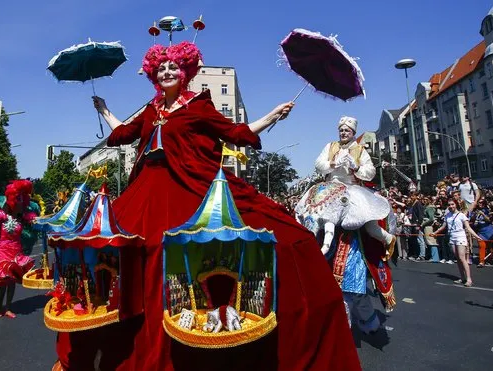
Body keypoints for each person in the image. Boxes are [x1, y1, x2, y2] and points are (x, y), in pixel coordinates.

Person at [53, 41, 361, 371]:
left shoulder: (199, 106)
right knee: (114, 246)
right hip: (144, 191)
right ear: (155, 76)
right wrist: (104, 111)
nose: (167, 71)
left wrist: (272, 115)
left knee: (284, 239)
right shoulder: (151, 110)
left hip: (191, 185)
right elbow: (125, 134)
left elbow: (236, 133)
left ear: (185, 73)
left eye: (173, 67)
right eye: (161, 69)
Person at [311, 116, 396, 255]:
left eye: (347, 130)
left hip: (353, 189)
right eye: (341, 130)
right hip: (331, 187)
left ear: (353, 133)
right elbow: (318, 164)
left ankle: (388, 239)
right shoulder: (330, 146)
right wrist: (333, 164)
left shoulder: (360, 150)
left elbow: (370, 172)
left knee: (369, 225)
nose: (343, 133)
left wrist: (356, 167)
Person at [0, 180, 39, 318]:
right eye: (19, 200)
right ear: (12, 201)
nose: (21, 204)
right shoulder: (1, 216)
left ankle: (8, 307)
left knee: (12, 281)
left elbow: (37, 222)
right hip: (3, 251)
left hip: (16, 251)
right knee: (3, 281)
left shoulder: (23, 219)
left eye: (23, 201)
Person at [430, 199, 482, 287]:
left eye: (452, 204)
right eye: (449, 205)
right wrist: (435, 233)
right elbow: (443, 226)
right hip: (452, 237)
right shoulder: (448, 215)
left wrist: (476, 236)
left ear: (456, 205)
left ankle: (469, 279)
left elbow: (468, 228)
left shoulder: (461, 215)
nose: (451, 206)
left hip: (460, 236)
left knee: (462, 258)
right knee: (457, 258)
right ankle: (462, 277)